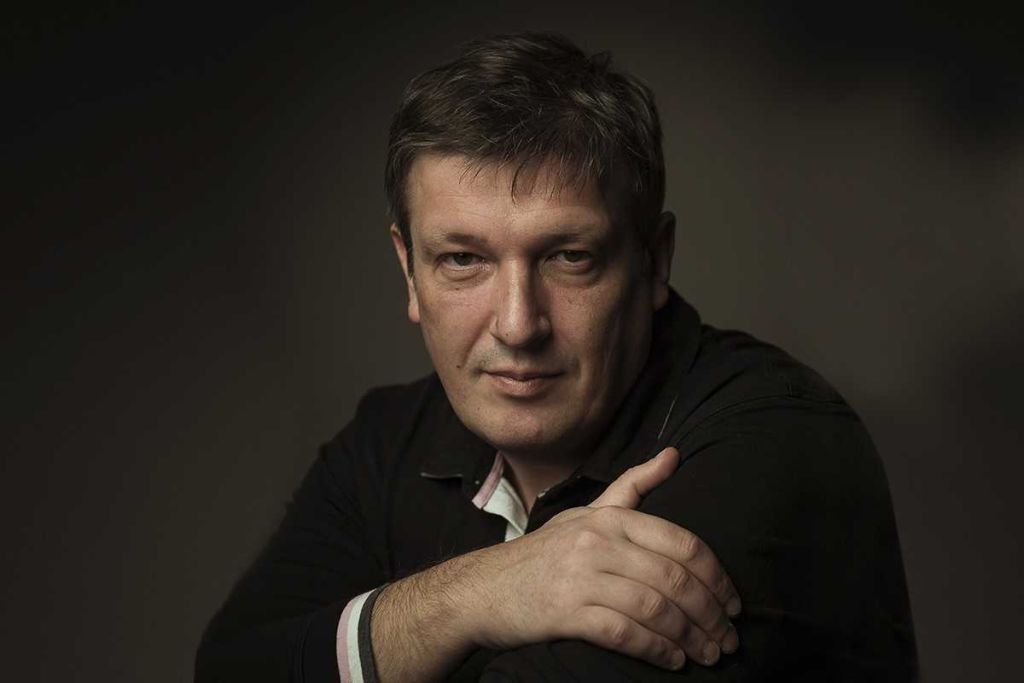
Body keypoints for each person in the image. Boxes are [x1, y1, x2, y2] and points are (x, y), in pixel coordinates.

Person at [195, 32, 917, 682]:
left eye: (570, 257)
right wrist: (483, 590)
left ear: (654, 260)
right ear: (409, 270)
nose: (518, 324)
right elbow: (232, 668)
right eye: (463, 259)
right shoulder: (386, 442)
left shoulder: (776, 442)